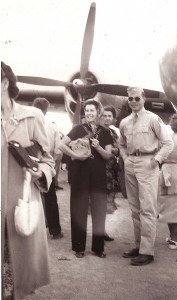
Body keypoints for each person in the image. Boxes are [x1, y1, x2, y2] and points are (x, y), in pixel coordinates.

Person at [1, 62, 55, 299]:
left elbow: (48, 161)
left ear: (4, 83)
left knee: (15, 271)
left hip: (18, 204)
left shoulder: (32, 117)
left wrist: (40, 171)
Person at [119, 86, 173, 266]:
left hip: (148, 163)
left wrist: (156, 160)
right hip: (131, 164)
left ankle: (147, 251)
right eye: (130, 99)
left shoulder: (153, 119)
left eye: (137, 98)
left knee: (148, 209)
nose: (133, 102)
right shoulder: (125, 122)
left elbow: (167, 143)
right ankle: (138, 245)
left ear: (143, 99)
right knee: (134, 209)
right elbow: (122, 144)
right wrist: (126, 158)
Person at [59, 99, 113, 258]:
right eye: (87, 110)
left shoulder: (105, 132)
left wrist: (98, 147)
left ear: (98, 112)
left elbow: (108, 155)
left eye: (92, 111)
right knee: (78, 208)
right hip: (79, 173)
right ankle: (78, 247)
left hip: (98, 174)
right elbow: (61, 145)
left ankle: (98, 248)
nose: (89, 113)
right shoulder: (77, 129)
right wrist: (75, 155)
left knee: (99, 209)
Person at [32, 97, 63, 239]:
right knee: (50, 199)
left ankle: (31, 230)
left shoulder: (27, 124)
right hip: (46, 166)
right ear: (46, 110)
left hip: (29, 165)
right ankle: (55, 230)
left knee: (30, 199)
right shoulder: (52, 126)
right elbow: (58, 150)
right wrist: (52, 165)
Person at [158, 112, 177, 249]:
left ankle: (172, 238)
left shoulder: (167, 138)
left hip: (165, 172)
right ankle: (174, 240)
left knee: (170, 207)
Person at [102, 105, 120, 214]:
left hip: (110, 171)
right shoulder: (97, 131)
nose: (107, 118)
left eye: (109, 116)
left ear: (113, 119)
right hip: (99, 169)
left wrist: (114, 150)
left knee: (107, 201)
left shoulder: (113, 133)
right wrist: (112, 150)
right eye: (104, 115)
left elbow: (118, 148)